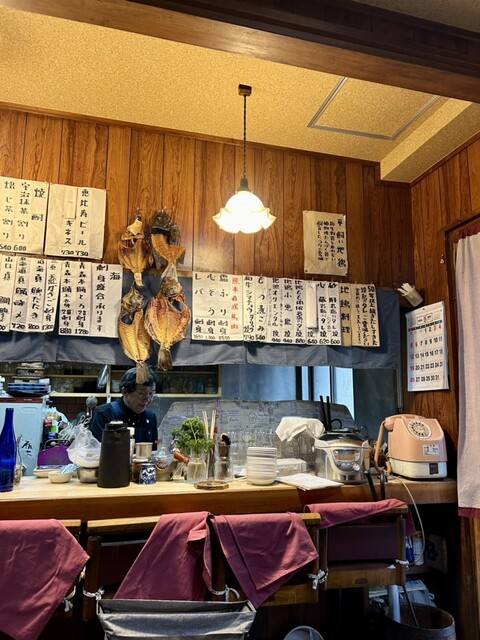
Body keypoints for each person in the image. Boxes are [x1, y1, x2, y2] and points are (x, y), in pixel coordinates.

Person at [89, 366, 159, 447]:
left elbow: (154, 451)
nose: (147, 400)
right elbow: (93, 451)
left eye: (151, 394)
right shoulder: (104, 414)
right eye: (142, 394)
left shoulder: (151, 417)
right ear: (125, 392)